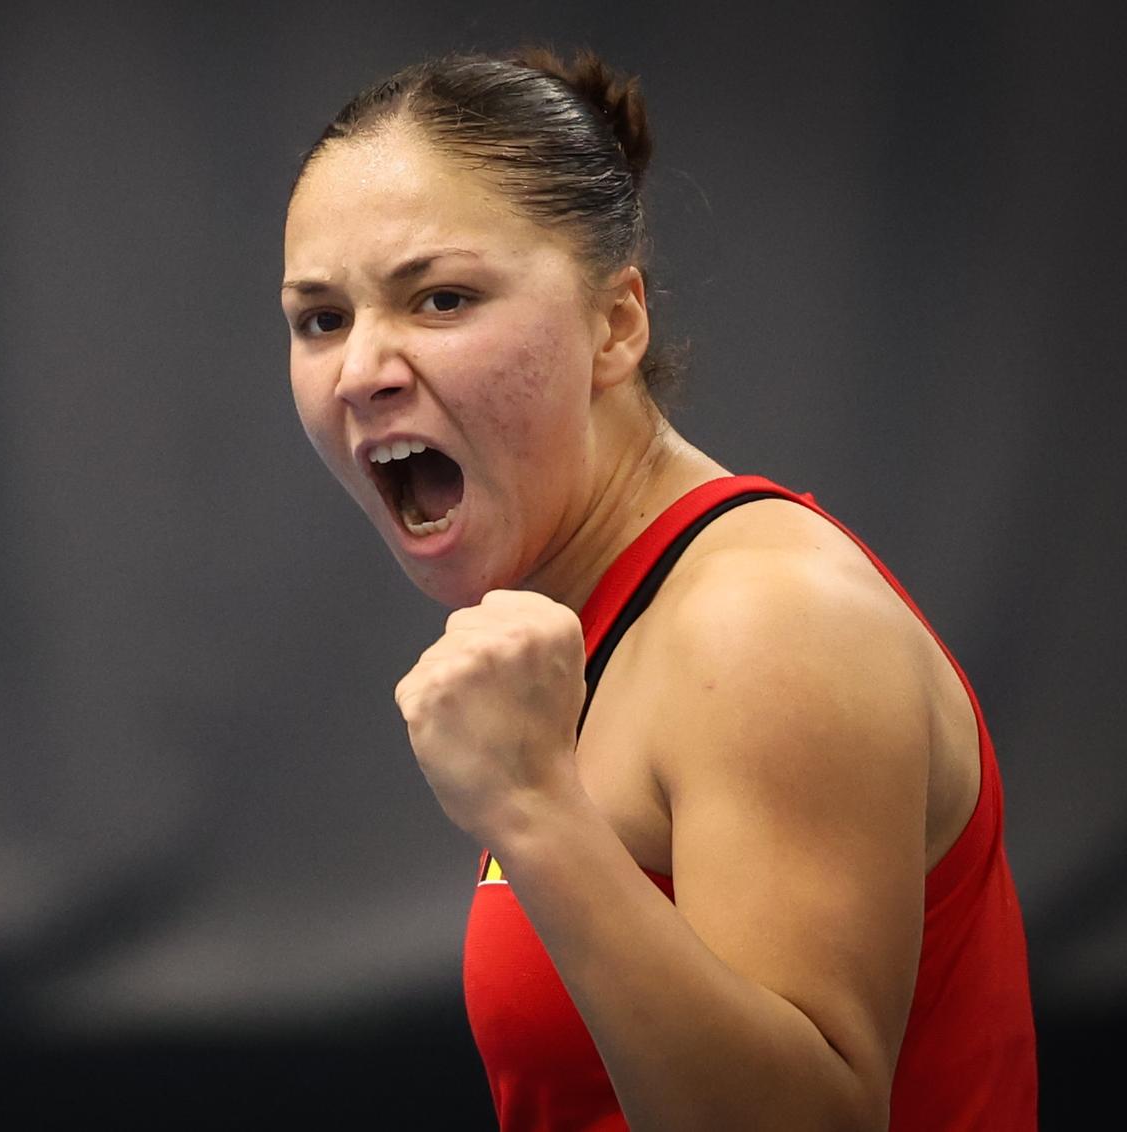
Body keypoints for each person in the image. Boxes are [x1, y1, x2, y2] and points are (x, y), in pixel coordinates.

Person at [280, 48, 1036, 1130]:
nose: (362, 370)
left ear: (615, 324)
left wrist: (533, 810)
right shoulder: (596, 619)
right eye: (321, 319)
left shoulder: (765, 622)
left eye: (440, 298)